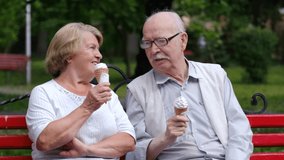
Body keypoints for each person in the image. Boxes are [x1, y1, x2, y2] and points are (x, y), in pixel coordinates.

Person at [125, 11, 253, 160]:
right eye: (147, 43)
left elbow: (239, 129)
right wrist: (165, 138)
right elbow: (133, 152)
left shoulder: (215, 75)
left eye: (161, 41)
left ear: (183, 40)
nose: (153, 50)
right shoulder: (138, 90)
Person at [26, 22, 135, 159]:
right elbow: (45, 141)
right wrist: (87, 107)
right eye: (92, 48)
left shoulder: (107, 94)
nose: (99, 55)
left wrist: (86, 150)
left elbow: (128, 141)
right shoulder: (44, 92)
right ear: (68, 55)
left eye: (98, 49)